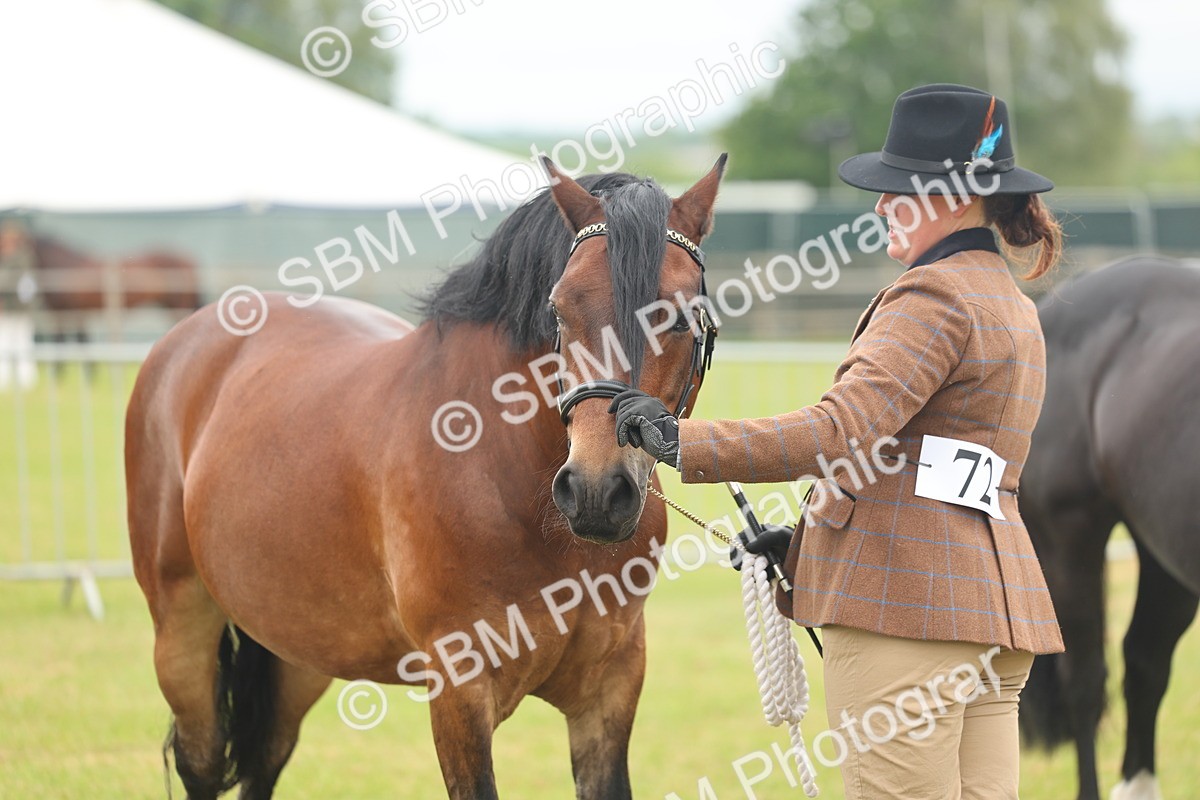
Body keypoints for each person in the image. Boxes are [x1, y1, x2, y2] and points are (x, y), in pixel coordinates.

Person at [610, 84, 1065, 799]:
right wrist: (807, 545)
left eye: (896, 189)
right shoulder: (1008, 300)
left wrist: (679, 442)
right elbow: (939, 469)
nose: (881, 205)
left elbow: (837, 430)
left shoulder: (935, 295)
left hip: (906, 617)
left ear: (947, 198)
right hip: (989, 614)